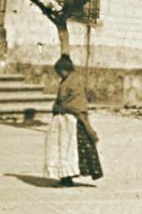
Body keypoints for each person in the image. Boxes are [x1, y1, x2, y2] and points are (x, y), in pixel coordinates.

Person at [44, 55, 103, 187]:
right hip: (63, 121)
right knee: (61, 149)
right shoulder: (66, 81)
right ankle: (65, 177)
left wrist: (60, 107)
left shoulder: (74, 82)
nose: (59, 75)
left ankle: (67, 177)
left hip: (73, 122)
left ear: (66, 70)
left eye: (60, 72)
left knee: (70, 150)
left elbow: (76, 103)